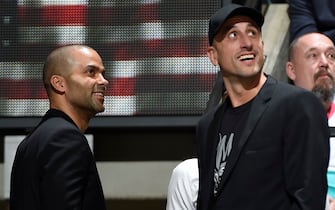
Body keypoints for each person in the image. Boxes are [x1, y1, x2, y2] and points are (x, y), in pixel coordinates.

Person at [196, 3, 329, 210]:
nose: (247, 43)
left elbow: (308, 200)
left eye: (253, 32)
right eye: (233, 35)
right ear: (213, 55)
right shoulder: (208, 125)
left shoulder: (297, 105)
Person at [9, 45, 109, 210]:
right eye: (91, 72)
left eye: (103, 74)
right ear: (59, 83)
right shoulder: (65, 138)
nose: (103, 81)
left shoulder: (33, 140)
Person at [286, 32, 335, 210]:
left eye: (331, 55)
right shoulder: (274, 117)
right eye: (313, 56)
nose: (325, 63)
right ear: (291, 70)